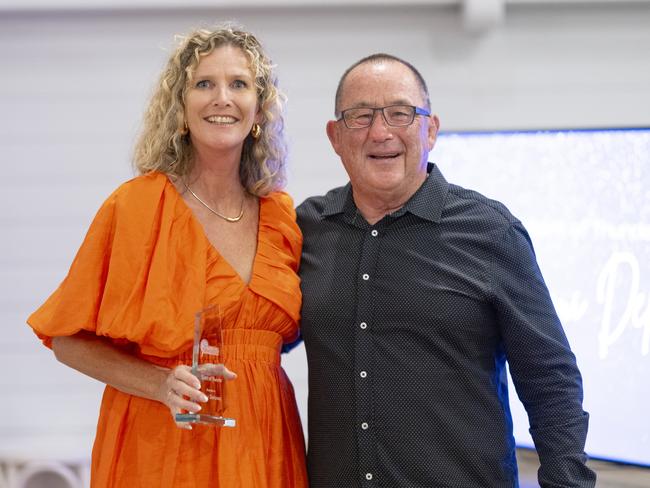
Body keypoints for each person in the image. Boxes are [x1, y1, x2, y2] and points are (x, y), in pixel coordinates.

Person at [297, 53, 597, 487]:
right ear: (335, 136)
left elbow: (550, 379)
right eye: (360, 116)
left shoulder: (491, 232)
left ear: (431, 129)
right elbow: (258, 332)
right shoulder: (307, 230)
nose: (381, 132)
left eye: (400, 113)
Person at [27, 26, 307, 487]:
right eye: (204, 84)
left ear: (258, 109)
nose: (222, 97)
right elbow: (67, 339)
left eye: (239, 84)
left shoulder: (281, 216)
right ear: (180, 108)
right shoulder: (136, 207)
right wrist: (159, 384)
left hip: (265, 444)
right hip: (163, 447)